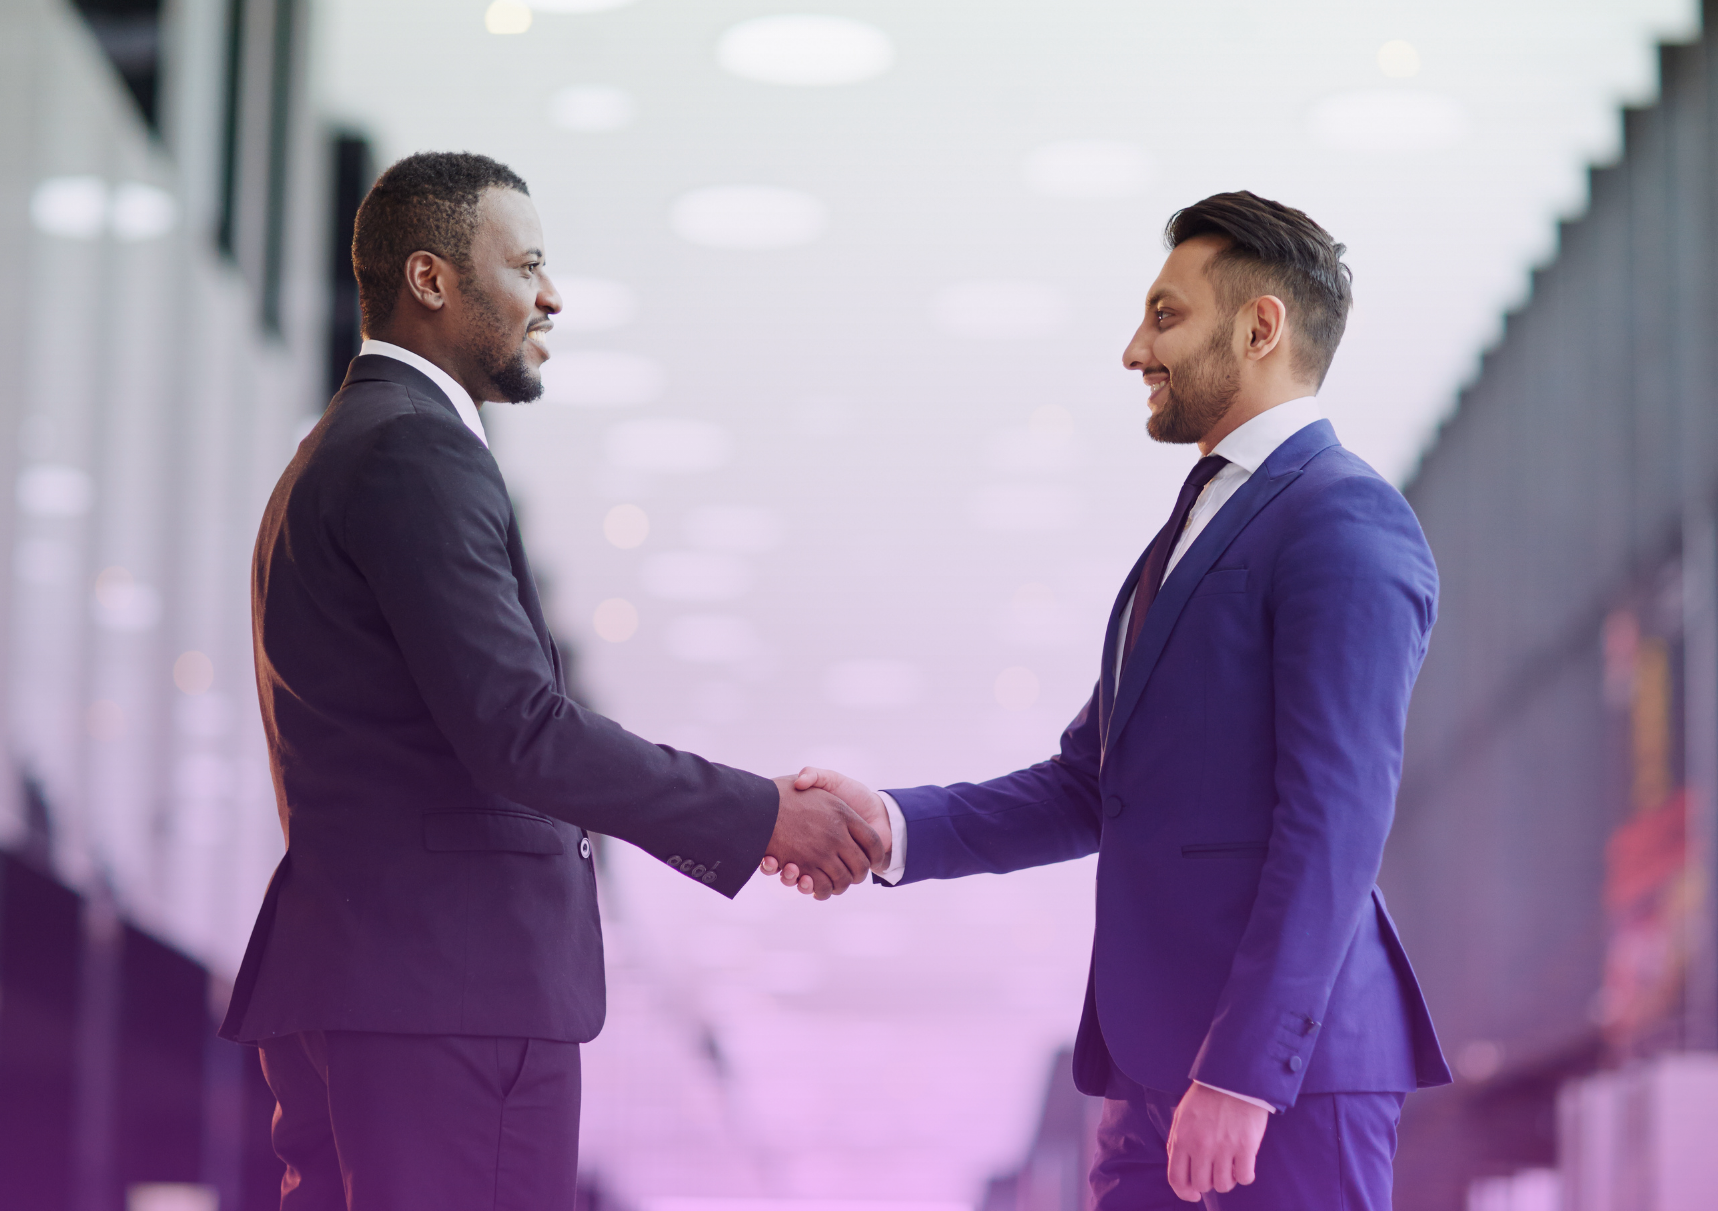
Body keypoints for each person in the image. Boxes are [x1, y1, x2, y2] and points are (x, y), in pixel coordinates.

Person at [218, 151, 885, 1210]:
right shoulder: (411, 452)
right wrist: (764, 814)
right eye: (527, 264)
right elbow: (520, 732)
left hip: (384, 985)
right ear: (431, 280)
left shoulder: (341, 447)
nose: (553, 294)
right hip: (449, 998)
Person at [768, 192, 1452, 1208]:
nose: (1136, 348)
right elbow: (1093, 784)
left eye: (1166, 314)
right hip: (1152, 1069)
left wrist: (1244, 1069)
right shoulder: (1196, 525)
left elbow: (1337, 817)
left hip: (1278, 1084)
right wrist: (894, 821)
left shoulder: (1343, 520)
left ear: (1261, 326)